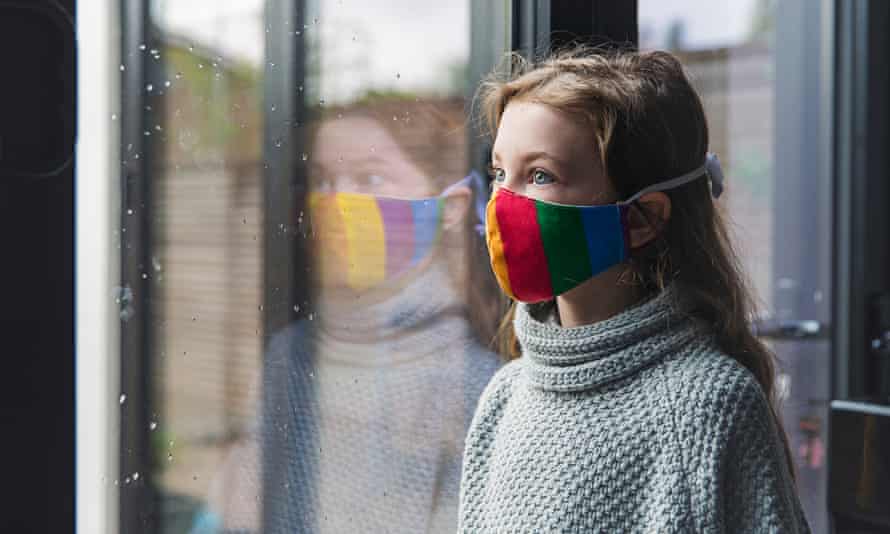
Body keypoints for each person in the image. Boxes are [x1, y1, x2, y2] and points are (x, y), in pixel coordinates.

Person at [457, 47, 812, 533]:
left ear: (643, 218)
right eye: (500, 173)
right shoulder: (504, 396)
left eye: (541, 175)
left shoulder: (710, 405)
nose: (502, 202)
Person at [190, 97, 504, 533]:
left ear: (450, 208)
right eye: (322, 180)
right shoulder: (292, 352)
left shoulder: (476, 381)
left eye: (370, 177)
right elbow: (233, 508)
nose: (337, 201)